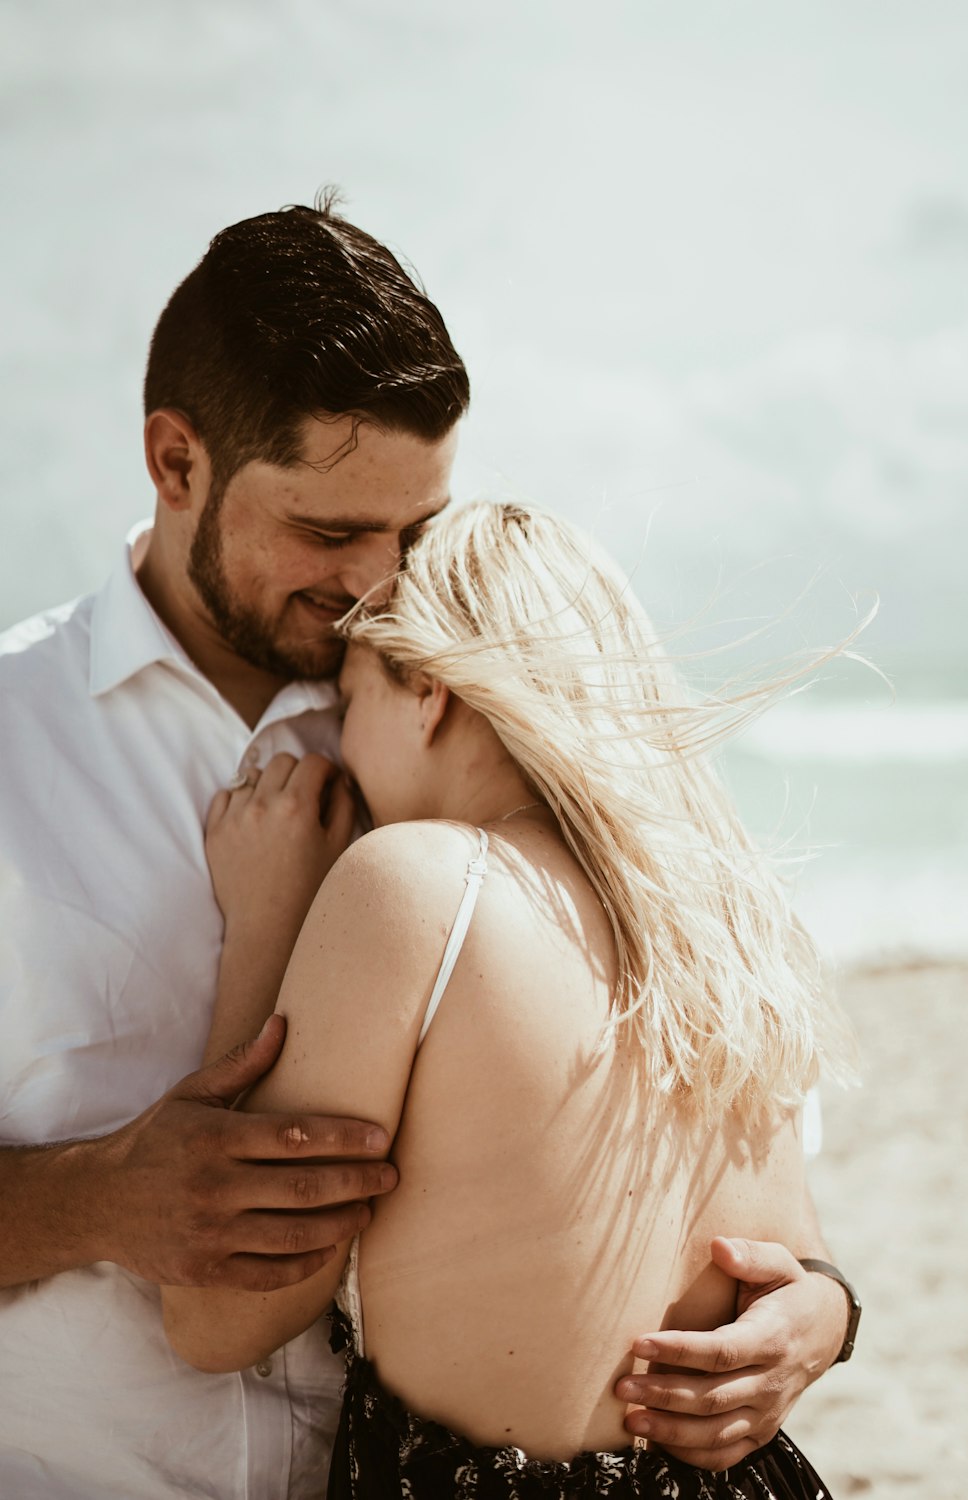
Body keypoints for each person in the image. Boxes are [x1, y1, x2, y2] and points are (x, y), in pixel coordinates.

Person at [0, 197, 853, 1500]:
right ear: (176, 463)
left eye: (413, 527)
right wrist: (95, 1200)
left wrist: (819, 1311)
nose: (377, 582)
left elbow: (702, 1122)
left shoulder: (448, 718)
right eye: (333, 533)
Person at [162, 499, 856, 1497]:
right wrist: (830, 1307)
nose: (342, 746)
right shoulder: (722, 919)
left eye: (351, 698)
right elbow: (790, 1254)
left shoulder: (414, 885)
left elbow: (214, 1320)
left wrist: (261, 927)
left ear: (431, 693)